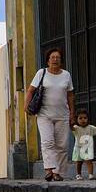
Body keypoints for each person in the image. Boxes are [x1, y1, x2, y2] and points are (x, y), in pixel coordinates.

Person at [23, 47, 74, 182]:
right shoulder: (41, 73)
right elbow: (30, 90)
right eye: (53, 57)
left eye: (58, 57)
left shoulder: (66, 75)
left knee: (62, 145)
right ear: (48, 61)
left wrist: (72, 113)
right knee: (47, 141)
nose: (55, 60)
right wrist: (26, 105)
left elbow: (70, 95)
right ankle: (49, 169)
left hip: (62, 114)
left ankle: (58, 172)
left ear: (61, 61)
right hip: (44, 114)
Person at [71, 109, 96, 181]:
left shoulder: (90, 127)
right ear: (77, 120)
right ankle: (78, 174)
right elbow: (71, 128)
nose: (83, 120)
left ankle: (91, 174)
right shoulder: (76, 128)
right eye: (80, 118)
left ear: (88, 119)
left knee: (89, 161)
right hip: (78, 148)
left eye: (85, 118)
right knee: (79, 162)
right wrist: (70, 122)